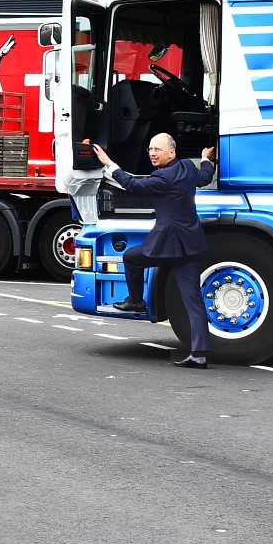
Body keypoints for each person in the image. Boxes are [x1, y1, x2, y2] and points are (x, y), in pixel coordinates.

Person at [92, 133, 218, 369]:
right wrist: (205, 159)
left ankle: (136, 301)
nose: (152, 153)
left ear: (171, 152)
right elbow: (204, 177)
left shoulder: (162, 177)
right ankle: (199, 353)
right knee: (193, 301)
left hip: (169, 243)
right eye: (150, 148)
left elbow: (131, 184)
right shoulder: (187, 168)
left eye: (157, 149)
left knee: (131, 257)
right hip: (191, 243)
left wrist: (109, 164)